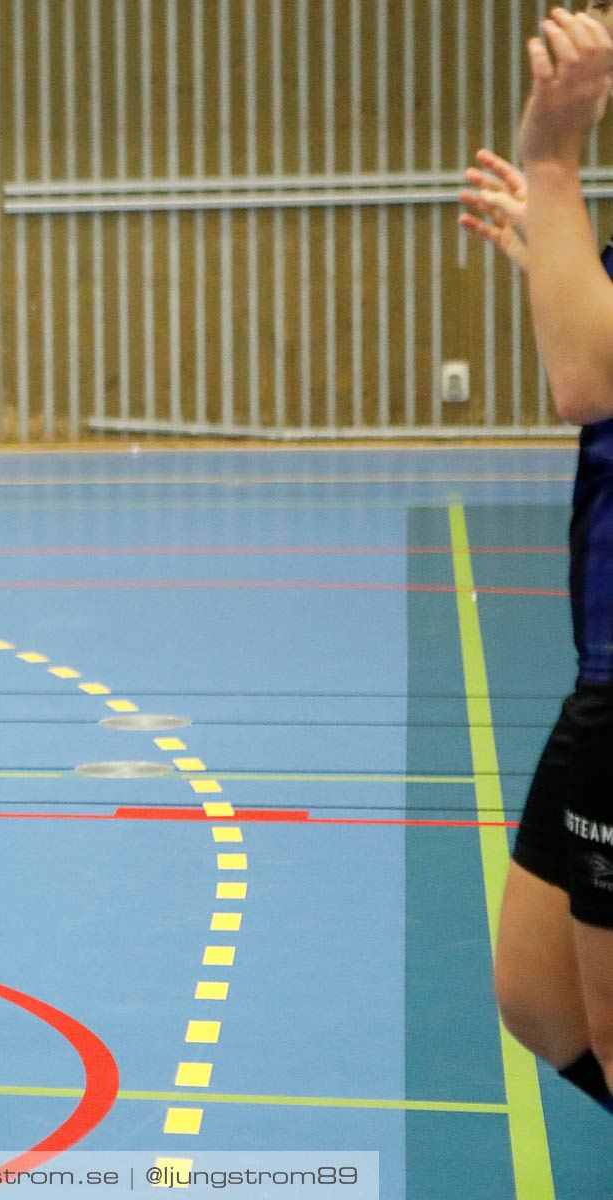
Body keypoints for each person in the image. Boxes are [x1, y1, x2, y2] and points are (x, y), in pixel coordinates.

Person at [459, 4, 613, 1118]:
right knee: (536, 998)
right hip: (598, 665)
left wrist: (551, 158)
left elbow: (587, 383)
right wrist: (551, 236)